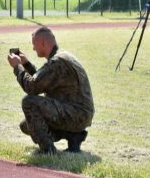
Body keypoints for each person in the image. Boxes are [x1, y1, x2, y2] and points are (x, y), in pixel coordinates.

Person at [7, 26, 94, 155]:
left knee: (29, 102)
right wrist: (26, 64)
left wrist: (17, 67)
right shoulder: (63, 57)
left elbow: (32, 87)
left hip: (75, 114)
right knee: (27, 125)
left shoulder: (57, 62)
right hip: (79, 113)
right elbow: (43, 81)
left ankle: (48, 150)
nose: (33, 48)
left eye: (34, 44)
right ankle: (74, 137)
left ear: (42, 42)